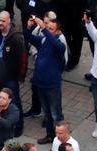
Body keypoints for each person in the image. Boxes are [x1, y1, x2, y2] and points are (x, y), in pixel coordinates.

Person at [25, 14, 66, 144]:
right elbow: (29, 38)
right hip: (40, 83)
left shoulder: (59, 45)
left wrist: (43, 28)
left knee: (56, 114)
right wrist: (28, 27)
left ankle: (61, 139)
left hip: (52, 85)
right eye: (47, 28)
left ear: (58, 31)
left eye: (51, 29)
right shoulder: (44, 40)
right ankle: (49, 135)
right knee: (47, 113)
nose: (48, 30)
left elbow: (54, 43)